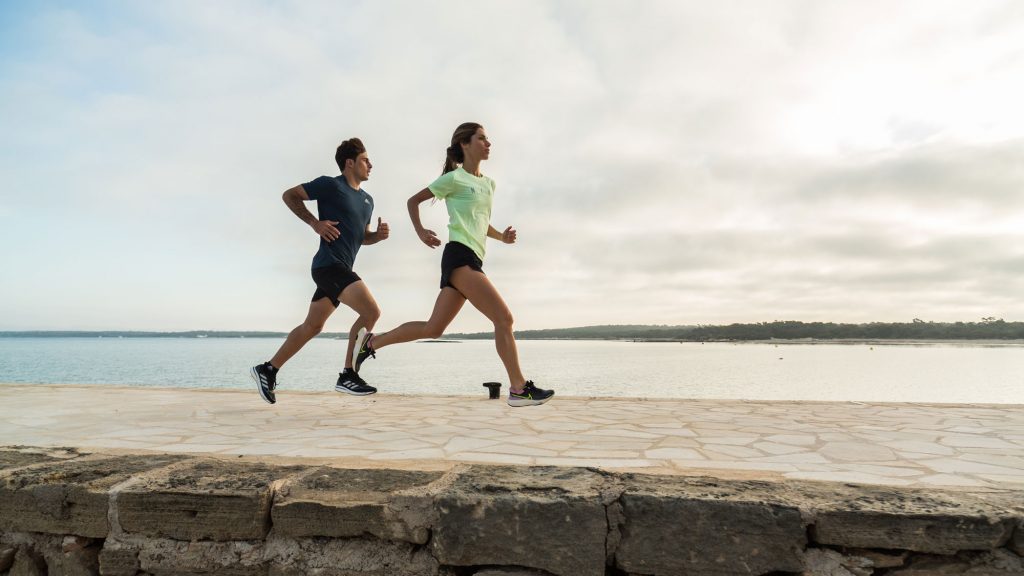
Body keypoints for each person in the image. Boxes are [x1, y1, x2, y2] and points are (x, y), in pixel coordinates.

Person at [350, 123, 553, 407]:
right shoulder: (454, 178)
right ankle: (519, 388)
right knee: (504, 319)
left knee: (434, 329)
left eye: (488, 138)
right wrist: (421, 231)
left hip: (473, 256)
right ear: (465, 145)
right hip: (459, 256)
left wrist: (501, 238)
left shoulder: (489, 184)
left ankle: (371, 343)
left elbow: (480, 223)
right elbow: (413, 201)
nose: (488, 143)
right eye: (482, 138)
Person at [250, 138, 389, 404]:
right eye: (365, 160)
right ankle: (348, 374)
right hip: (328, 266)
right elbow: (289, 195)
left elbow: (361, 237)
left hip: (340, 268)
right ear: (350, 163)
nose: (370, 164)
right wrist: (315, 223)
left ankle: (268, 369)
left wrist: (376, 237)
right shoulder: (330, 185)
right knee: (371, 312)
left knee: (313, 326)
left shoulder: (368, 201)